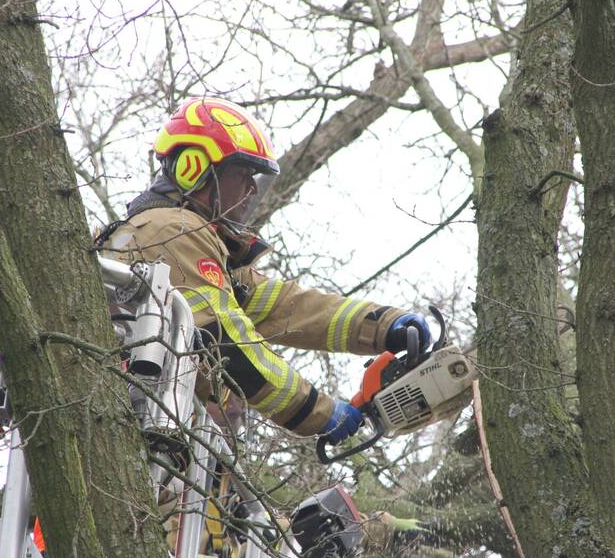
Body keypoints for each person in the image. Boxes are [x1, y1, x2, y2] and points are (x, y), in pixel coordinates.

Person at [101, 96, 431, 447]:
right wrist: (320, 411)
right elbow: (226, 343)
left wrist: (383, 325)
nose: (252, 188)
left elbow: (289, 308)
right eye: (243, 174)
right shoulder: (170, 231)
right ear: (193, 168)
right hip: (131, 434)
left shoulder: (197, 245)